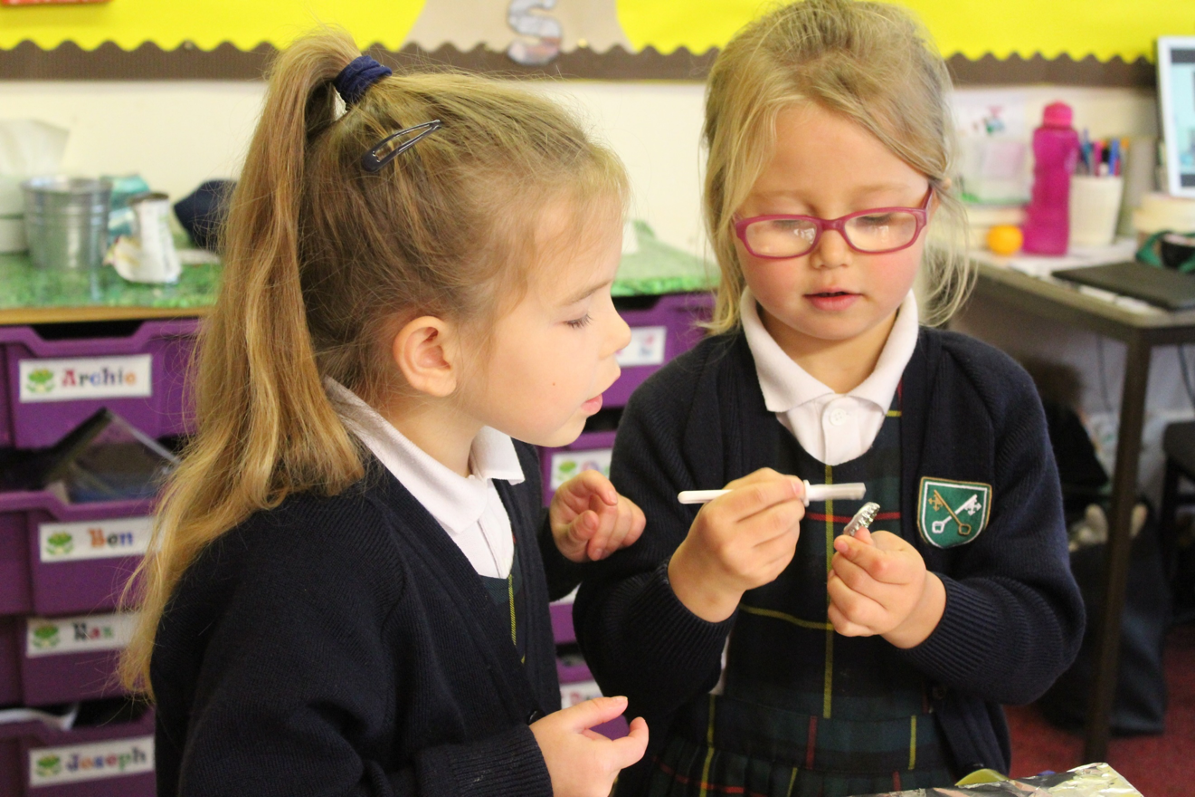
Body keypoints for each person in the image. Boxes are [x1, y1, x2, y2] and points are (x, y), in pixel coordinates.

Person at [119, 30, 650, 797]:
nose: (620, 333)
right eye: (576, 314)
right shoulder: (303, 561)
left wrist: (549, 549)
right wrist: (520, 775)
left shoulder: (486, 454)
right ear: (433, 352)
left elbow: (438, 613)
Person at [573, 1, 1085, 794]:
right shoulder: (676, 407)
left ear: (930, 204)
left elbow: (1040, 647)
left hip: (925, 773)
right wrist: (697, 582)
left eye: (878, 217)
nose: (833, 256)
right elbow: (626, 670)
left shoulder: (988, 403)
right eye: (786, 222)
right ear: (728, 215)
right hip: (708, 770)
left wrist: (928, 609)